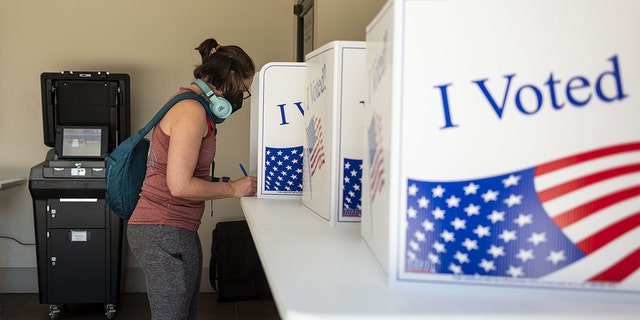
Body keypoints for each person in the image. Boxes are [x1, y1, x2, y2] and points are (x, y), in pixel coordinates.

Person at [127, 37, 257, 320]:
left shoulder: (194, 107)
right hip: (162, 228)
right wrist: (233, 188)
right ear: (231, 78)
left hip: (174, 228)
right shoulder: (191, 111)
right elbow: (180, 185)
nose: (239, 99)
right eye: (243, 90)